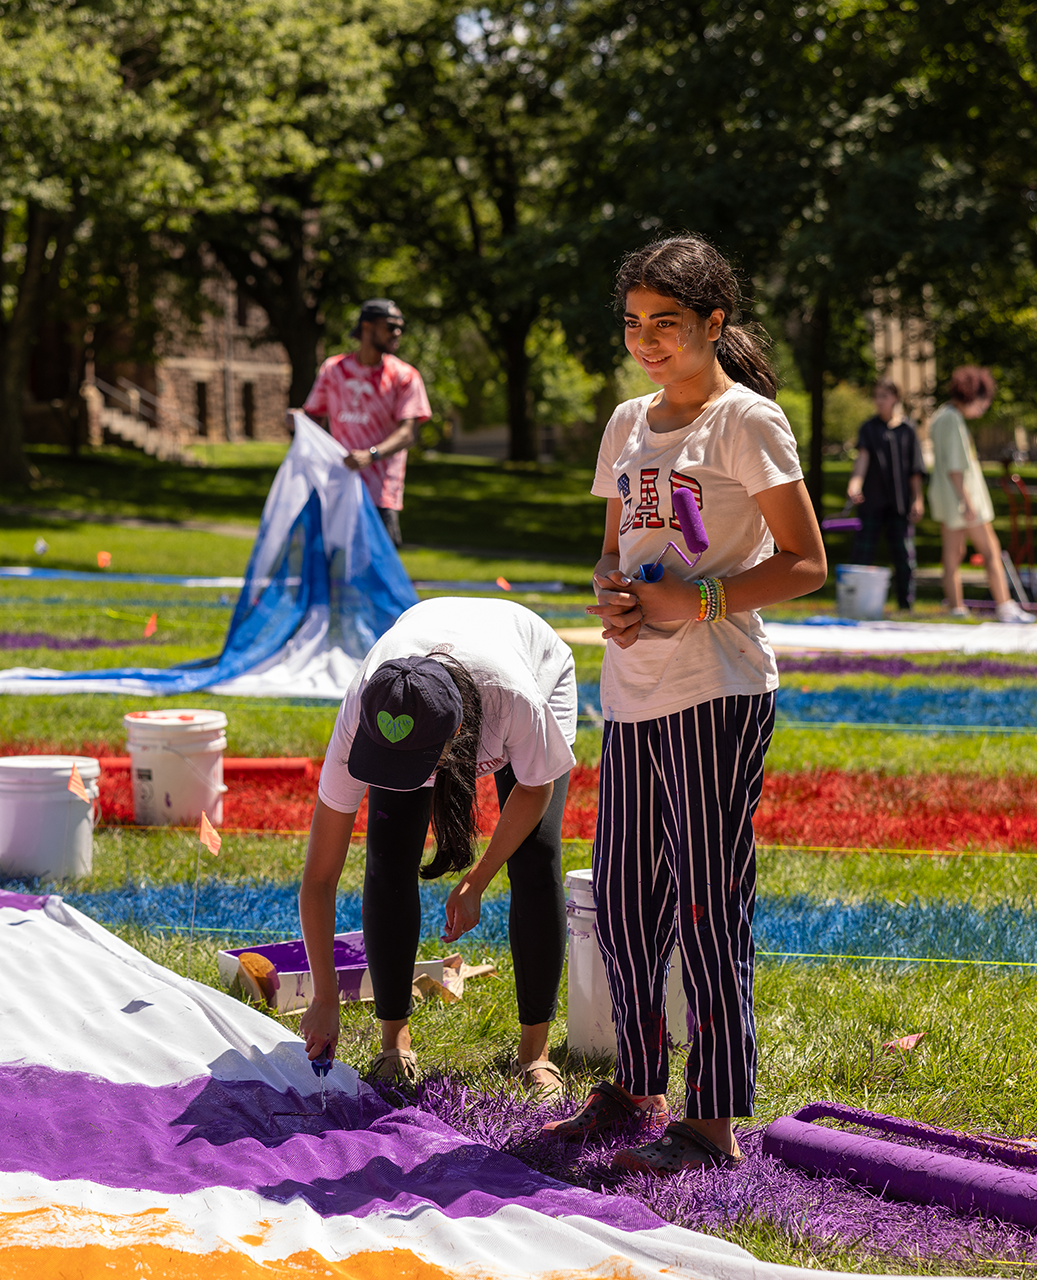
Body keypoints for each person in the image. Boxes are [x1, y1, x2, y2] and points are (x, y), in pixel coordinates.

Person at [565, 235, 827, 1175]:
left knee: (710, 905)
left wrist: (698, 600)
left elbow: (806, 562)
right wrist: (613, 592)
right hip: (632, 693)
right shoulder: (627, 422)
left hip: (718, 691)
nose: (646, 342)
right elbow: (612, 547)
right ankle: (637, 1085)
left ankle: (711, 1124)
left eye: (666, 325)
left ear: (714, 324)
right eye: (633, 325)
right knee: (629, 903)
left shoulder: (745, 422)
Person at [297, 597, 578, 1096]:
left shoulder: (513, 699)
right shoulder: (366, 712)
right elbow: (319, 878)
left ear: (455, 741)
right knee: (387, 858)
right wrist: (324, 994)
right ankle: (393, 1041)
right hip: (431, 689)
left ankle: (535, 1050)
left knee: (536, 855)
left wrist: (477, 878)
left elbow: (536, 790)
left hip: (532, 664)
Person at [299, 299, 432, 547]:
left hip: (381, 495)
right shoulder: (333, 370)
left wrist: (371, 455)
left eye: (400, 327)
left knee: (378, 575)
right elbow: (313, 418)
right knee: (333, 574)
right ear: (367, 327)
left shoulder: (404, 376)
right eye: (391, 326)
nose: (397, 333)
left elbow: (408, 434)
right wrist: (297, 420)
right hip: (338, 490)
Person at [929, 365, 1034, 623]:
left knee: (953, 555)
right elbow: (956, 468)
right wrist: (967, 502)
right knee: (991, 551)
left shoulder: (941, 416)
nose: (984, 408)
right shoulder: (952, 419)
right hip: (965, 498)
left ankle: (956, 608)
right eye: (983, 402)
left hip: (948, 498)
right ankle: (1005, 606)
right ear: (971, 394)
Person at [846, 379, 925, 611]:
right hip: (872, 501)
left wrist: (918, 499)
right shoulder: (868, 428)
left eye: (885, 396)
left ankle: (905, 605)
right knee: (862, 553)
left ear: (895, 399)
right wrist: (855, 485)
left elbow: (915, 471)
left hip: (899, 504)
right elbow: (862, 459)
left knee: (904, 557)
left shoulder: (908, 430)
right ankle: (856, 604)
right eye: (877, 396)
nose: (879, 401)